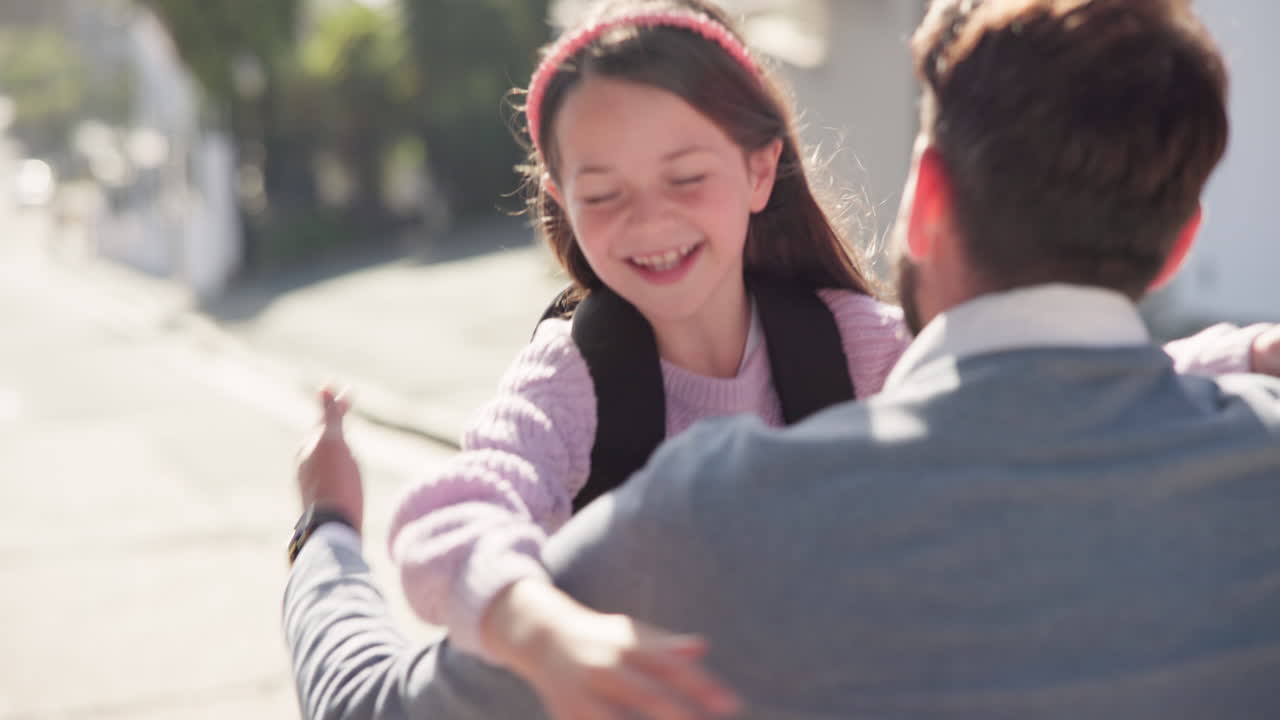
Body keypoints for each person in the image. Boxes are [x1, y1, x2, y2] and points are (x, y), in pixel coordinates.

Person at [285, 0, 1280, 717]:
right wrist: (544, 630)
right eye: (602, 194)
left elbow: (1020, 376)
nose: (650, 220)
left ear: (763, 169)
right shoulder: (572, 371)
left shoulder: (844, 338)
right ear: (557, 196)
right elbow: (457, 504)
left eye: (685, 176)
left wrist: (1239, 346)